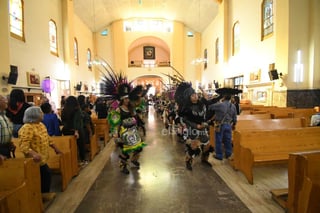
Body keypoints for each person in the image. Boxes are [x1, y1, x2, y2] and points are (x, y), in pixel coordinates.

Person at [102, 69, 146, 174]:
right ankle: (123, 165)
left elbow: (138, 112)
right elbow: (114, 123)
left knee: (138, 148)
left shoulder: (131, 108)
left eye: (128, 99)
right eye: (125, 99)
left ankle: (134, 160)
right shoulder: (117, 110)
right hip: (123, 132)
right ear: (122, 100)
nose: (127, 100)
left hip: (133, 130)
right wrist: (115, 135)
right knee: (126, 149)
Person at [174, 82, 217, 170]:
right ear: (189, 98)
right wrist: (196, 125)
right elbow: (186, 120)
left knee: (207, 145)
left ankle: (204, 159)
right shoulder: (186, 108)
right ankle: (188, 161)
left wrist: (201, 88)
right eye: (193, 95)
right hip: (192, 129)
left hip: (203, 129)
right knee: (193, 147)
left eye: (196, 95)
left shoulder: (201, 103)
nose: (195, 96)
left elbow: (206, 97)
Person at [18, 106, 61, 193]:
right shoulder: (27, 127)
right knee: (46, 175)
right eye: (40, 112)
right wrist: (33, 154)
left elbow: (47, 138)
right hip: (34, 160)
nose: (42, 114)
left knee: (45, 176)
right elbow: (23, 145)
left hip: (42, 159)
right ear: (35, 115)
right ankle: (42, 194)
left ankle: (43, 194)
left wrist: (55, 148)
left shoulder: (41, 125)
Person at [208, 88, 240, 161]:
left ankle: (219, 155)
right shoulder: (233, 106)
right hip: (229, 125)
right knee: (227, 140)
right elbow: (235, 117)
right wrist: (234, 124)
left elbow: (210, 107)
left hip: (220, 124)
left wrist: (215, 99)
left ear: (224, 97)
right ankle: (228, 154)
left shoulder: (220, 105)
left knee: (218, 139)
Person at [61, 96, 87, 164]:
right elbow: (77, 121)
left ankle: (72, 160)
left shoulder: (64, 110)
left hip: (66, 130)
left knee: (70, 146)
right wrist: (76, 131)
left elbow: (63, 120)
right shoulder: (77, 109)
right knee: (80, 145)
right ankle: (82, 160)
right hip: (77, 130)